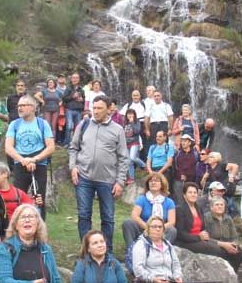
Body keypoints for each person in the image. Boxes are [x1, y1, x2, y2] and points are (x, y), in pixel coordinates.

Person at [68, 95, 129, 249]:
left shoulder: (118, 130)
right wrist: (72, 167)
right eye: (94, 108)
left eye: (100, 108)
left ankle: (106, 252)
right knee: (83, 216)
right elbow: (73, 148)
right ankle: (86, 251)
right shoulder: (84, 124)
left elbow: (123, 158)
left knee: (108, 218)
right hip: (84, 178)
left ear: (109, 109)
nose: (96, 111)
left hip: (107, 180)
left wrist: (120, 181)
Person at [5, 95, 55, 219]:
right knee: (17, 199)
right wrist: (23, 160)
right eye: (19, 106)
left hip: (39, 165)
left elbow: (50, 146)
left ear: (32, 107)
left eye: (23, 105)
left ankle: (40, 231)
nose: (19, 108)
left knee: (39, 199)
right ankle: (18, 228)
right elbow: (8, 147)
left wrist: (34, 159)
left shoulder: (42, 124)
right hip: (20, 165)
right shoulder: (14, 124)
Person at [122, 173, 177, 247]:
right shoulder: (142, 199)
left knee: (172, 230)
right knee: (128, 223)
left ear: (162, 184)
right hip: (143, 229)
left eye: (156, 181)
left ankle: (161, 251)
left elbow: (171, 222)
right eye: (151, 181)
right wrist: (148, 228)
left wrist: (158, 228)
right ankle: (131, 251)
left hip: (161, 231)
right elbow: (134, 216)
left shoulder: (169, 202)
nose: (153, 183)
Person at [204, 196, 242, 270]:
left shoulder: (228, 218)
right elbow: (205, 238)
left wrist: (234, 245)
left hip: (228, 245)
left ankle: (232, 273)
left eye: (221, 205)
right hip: (213, 245)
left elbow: (234, 236)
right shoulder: (206, 218)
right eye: (217, 205)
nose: (220, 206)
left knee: (240, 253)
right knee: (220, 252)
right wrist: (224, 245)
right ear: (211, 207)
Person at [171, 134, 200, 205]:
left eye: (185, 141)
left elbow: (197, 166)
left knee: (190, 201)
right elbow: (175, 165)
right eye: (182, 141)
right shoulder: (178, 153)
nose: (183, 143)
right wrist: (181, 174)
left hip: (191, 181)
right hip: (178, 180)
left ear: (190, 142)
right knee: (179, 200)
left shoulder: (195, 154)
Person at [62, 72, 86, 144]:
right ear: (71, 79)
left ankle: (75, 142)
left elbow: (84, 100)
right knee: (69, 126)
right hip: (69, 109)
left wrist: (82, 100)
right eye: (74, 78)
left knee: (78, 128)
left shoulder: (81, 89)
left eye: (77, 78)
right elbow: (64, 98)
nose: (75, 79)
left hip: (78, 110)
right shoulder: (68, 88)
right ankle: (66, 143)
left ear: (79, 79)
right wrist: (73, 97)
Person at [123, 107, 145, 184]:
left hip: (135, 143)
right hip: (126, 144)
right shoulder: (124, 123)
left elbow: (137, 131)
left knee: (133, 158)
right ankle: (131, 178)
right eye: (128, 114)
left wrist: (132, 123)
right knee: (129, 161)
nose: (130, 115)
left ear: (134, 115)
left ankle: (145, 166)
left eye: (131, 114)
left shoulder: (137, 122)